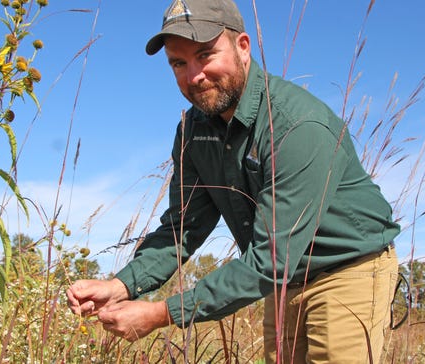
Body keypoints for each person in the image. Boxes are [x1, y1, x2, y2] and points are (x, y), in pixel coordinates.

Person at [66, 0, 401, 362]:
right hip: (285, 282)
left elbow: (270, 260)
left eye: (205, 55)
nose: (194, 75)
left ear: (243, 47)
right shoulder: (194, 129)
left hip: (347, 268)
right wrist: (121, 285)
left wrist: (161, 314)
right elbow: (183, 227)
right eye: (179, 63)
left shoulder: (295, 126)